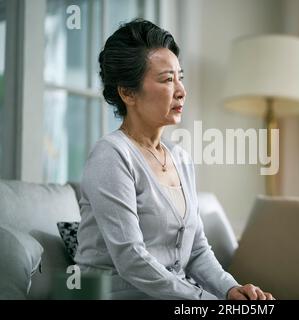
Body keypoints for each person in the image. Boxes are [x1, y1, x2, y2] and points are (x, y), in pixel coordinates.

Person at [74, 19, 274, 300]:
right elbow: (131, 259)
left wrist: (230, 290)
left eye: (180, 77)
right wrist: (203, 300)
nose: (181, 90)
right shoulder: (111, 155)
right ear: (127, 92)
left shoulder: (179, 158)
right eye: (167, 79)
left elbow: (196, 250)